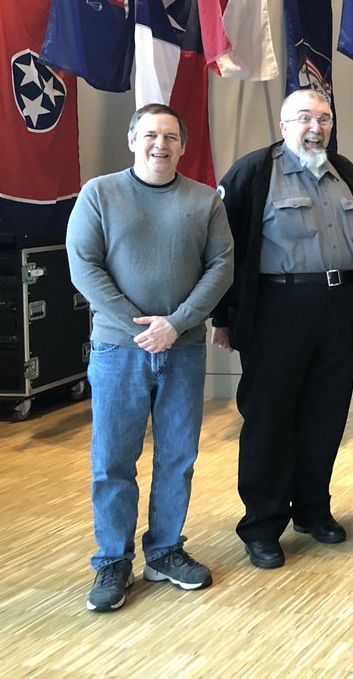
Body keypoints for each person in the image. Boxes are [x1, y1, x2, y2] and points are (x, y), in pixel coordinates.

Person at [67, 104, 234, 612]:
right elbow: (83, 266)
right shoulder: (99, 194)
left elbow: (221, 266)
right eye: (150, 135)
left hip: (183, 349)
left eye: (170, 137)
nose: (160, 144)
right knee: (112, 461)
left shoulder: (204, 201)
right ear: (132, 140)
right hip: (119, 349)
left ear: (183, 146)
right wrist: (140, 326)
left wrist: (176, 324)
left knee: (178, 457)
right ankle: (112, 561)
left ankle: (164, 551)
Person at [211, 89, 353, 570]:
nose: (315, 127)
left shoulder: (344, 172)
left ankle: (313, 509)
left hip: (340, 307)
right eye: (304, 118)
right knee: (269, 418)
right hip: (276, 310)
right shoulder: (253, 172)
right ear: (283, 125)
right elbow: (224, 249)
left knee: (326, 414)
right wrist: (223, 317)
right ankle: (262, 526)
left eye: (323, 119)